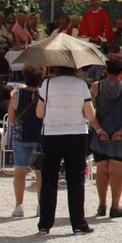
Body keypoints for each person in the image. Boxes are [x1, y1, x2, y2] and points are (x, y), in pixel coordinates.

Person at [33, 65, 95, 233]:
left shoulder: (47, 84)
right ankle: (78, 223)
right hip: (76, 133)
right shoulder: (81, 85)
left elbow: (39, 113)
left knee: (49, 179)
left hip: (52, 133)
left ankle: (45, 224)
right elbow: (90, 115)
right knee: (76, 179)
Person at [91, 55, 122, 218]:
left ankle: (101, 204)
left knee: (102, 169)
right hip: (120, 136)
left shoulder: (96, 87)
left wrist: (98, 129)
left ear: (106, 69)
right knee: (117, 171)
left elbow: (90, 113)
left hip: (101, 134)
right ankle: (115, 205)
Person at [6, 67, 45, 218]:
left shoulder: (16, 94)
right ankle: (41, 205)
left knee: (19, 172)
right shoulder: (43, 94)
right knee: (40, 173)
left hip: (21, 136)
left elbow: (11, 118)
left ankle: (19, 205)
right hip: (39, 136)